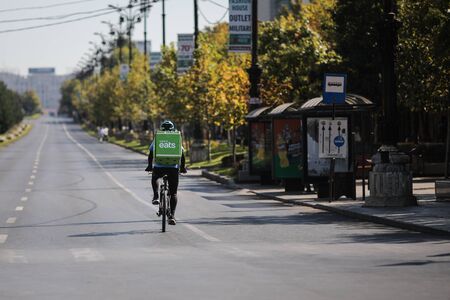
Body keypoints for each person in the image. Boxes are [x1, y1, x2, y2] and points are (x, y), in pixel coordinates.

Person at [145, 120, 187, 225]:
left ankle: (156, 196)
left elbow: (151, 152)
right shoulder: (175, 137)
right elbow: (182, 154)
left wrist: (150, 166)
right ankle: (172, 216)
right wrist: (182, 167)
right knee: (173, 193)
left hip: (159, 167)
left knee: (154, 178)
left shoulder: (159, 138)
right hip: (173, 169)